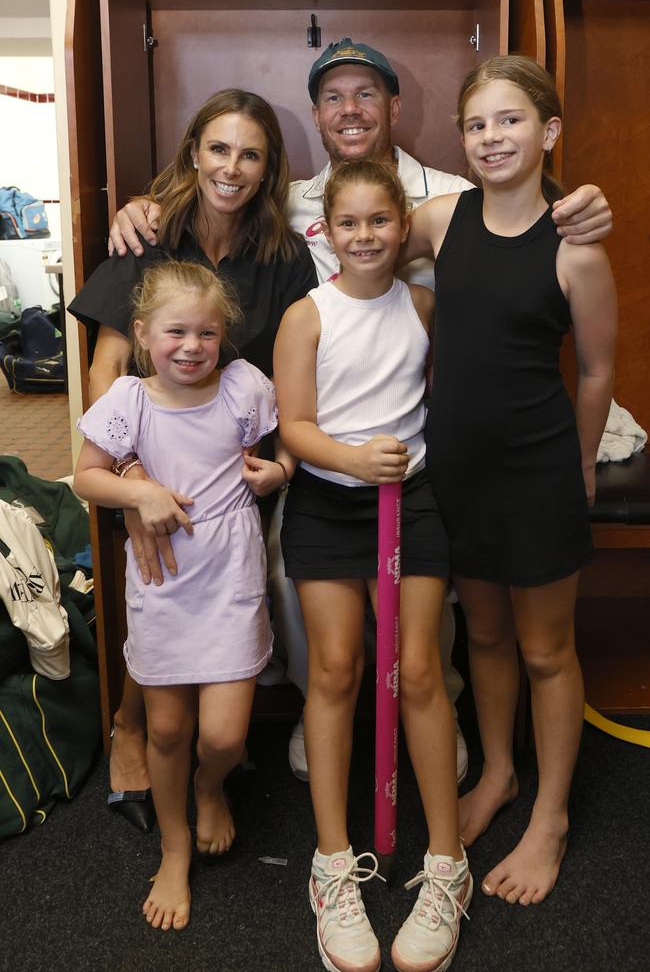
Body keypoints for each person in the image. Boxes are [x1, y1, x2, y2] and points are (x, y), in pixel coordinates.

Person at [107, 38, 613, 788]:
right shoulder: (309, 200)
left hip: (438, 443)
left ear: (395, 108)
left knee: (465, 615)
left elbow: (533, 234)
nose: (350, 111)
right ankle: (327, 710)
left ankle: (440, 713)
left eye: (366, 95)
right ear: (315, 115)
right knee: (299, 578)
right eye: (334, 98)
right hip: (324, 438)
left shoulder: (446, 194)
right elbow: (231, 192)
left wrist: (587, 200)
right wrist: (150, 203)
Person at [400, 54, 617, 908]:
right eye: (477, 124)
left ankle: (553, 814)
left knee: (542, 648)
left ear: (549, 131)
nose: (492, 137)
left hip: (538, 474)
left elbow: (597, 370)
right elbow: (356, 228)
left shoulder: (577, 248)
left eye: (512, 121)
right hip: (458, 469)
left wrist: (582, 471)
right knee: (482, 637)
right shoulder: (442, 218)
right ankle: (497, 775)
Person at [68, 89, 317, 830]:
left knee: (218, 595)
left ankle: (210, 747)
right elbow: (106, 364)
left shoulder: (283, 255)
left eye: (251, 154)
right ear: (193, 153)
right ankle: (132, 724)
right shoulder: (148, 234)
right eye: (218, 148)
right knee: (155, 588)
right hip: (145, 464)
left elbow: (295, 372)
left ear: (269, 170)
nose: (231, 168)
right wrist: (132, 473)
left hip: (233, 475)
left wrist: (279, 463)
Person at [274, 159, 471, 972]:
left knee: (420, 671)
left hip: (411, 501)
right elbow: (295, 427)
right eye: (348, 223)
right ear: (325, 231)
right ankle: (331, 866)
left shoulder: (424, 306)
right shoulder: (305, 315)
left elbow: (436, 404)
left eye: (380, 222)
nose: (365, 236)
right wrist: (352, 463)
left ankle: (447, 866)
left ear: (404, 226)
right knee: (338, 669)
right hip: (330, 503)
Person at [73, 260, 279, 931]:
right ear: (141, 333)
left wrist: (279, 468)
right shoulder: (128, 401)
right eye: (175, 332)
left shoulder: (244, 387)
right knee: (166, 726)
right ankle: (173, 846)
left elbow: (274, 448)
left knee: (222, 735)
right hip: (162, 581)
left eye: (206, 333)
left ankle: (208, 785)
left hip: (230, 578)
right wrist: (141, 490)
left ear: (224, 337)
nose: (191, 346)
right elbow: (86, 478)